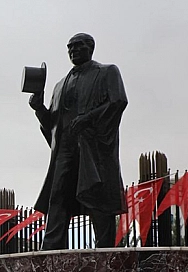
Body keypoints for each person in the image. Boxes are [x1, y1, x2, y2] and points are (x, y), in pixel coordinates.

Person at [29, 33, 128, 250]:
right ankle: (50, 251)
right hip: (65, 149)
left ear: (90, 47)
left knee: (97, 199)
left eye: (78, 46)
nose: (73, 50)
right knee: (57, 198)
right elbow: (53, 125)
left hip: (93, 148)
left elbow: (118, 102)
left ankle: (105, 251)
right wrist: (39, 108)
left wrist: (88, 119)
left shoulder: (107, 72)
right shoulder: (59, 85)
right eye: (70, 47)